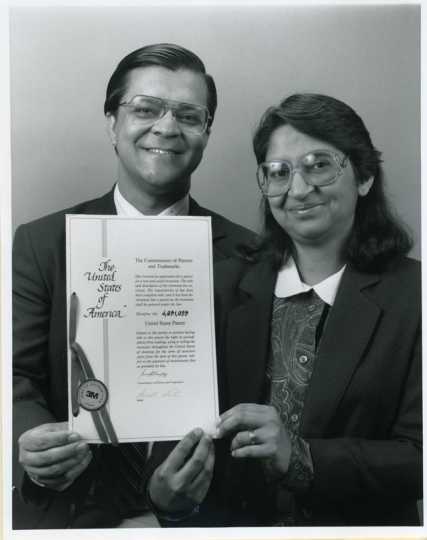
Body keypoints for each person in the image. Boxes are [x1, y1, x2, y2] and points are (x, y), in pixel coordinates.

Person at [144, 93, 422, 526]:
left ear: (364, 176)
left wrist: (302, 458)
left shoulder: (414, 296)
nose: (297, 189)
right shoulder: (217, 287)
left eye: (319, 165)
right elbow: (175, 451)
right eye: (279, 172)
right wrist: (167, 498)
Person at [12, 43, 255, 529]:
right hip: (69, 512)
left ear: (206, 132)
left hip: (202, 519)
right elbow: (14, 374)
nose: (166, 127)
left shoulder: (251, 255)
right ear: (111, 123)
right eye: (145, 109)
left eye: (188, 114)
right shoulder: (43, 242)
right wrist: (33, 438)